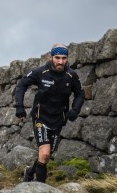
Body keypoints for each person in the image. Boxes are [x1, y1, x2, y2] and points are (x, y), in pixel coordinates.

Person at [14, 43, 85, 183]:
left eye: (64, 58)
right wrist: (19, 107)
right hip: (41, 117)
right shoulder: (40, 72)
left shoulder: (71, 75)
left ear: (67, 58)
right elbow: (22, 85)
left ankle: (29, 172)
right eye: (57, 57)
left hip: (58, 119)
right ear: (51, 57)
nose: (60, 61)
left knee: (45, 156)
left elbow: (80, 93)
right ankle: (40, 190)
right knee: (45, 153)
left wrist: (75, 110)